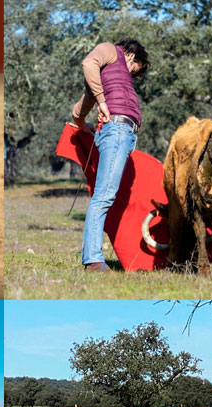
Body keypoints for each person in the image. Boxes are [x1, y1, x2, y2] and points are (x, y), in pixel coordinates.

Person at [70, 38, 150, 272]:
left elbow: (79, 109)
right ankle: (93, 260)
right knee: (104, 197)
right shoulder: (110, 50)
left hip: (121, 133)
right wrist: (103, 103)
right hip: (117, 131)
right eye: (136, 70)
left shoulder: (104, 80)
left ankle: (95, 257)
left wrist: (81, 123)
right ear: (132, 56)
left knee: (108, 196)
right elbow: (88, 63)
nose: (133, 75)